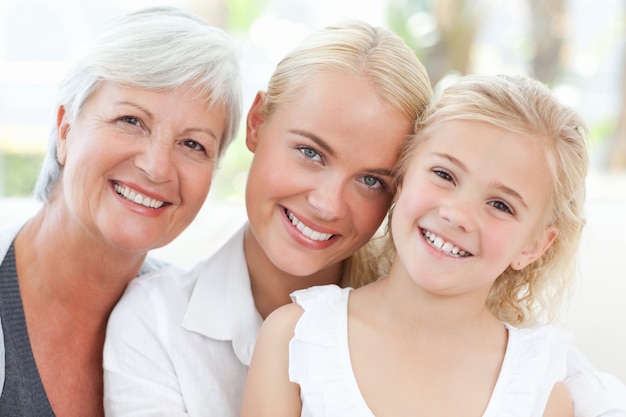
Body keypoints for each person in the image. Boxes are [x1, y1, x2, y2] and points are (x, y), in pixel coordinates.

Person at [241, 74, 626, 416]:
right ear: (402, 178)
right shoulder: (297, 339)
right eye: (444, 174)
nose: (457, 214)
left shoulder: (538, 389)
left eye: (500, 205)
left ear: (534, 246)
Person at [103, 19, 433, 416]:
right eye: (311, 152)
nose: (328, 204)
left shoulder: (431, 329)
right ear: (257, 122)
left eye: (370, 180)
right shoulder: (155, 323)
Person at [0, 6, 242, 417]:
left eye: (193, 145)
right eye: (131, 120)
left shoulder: (199, 336)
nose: (157, 167)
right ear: (65, 130)